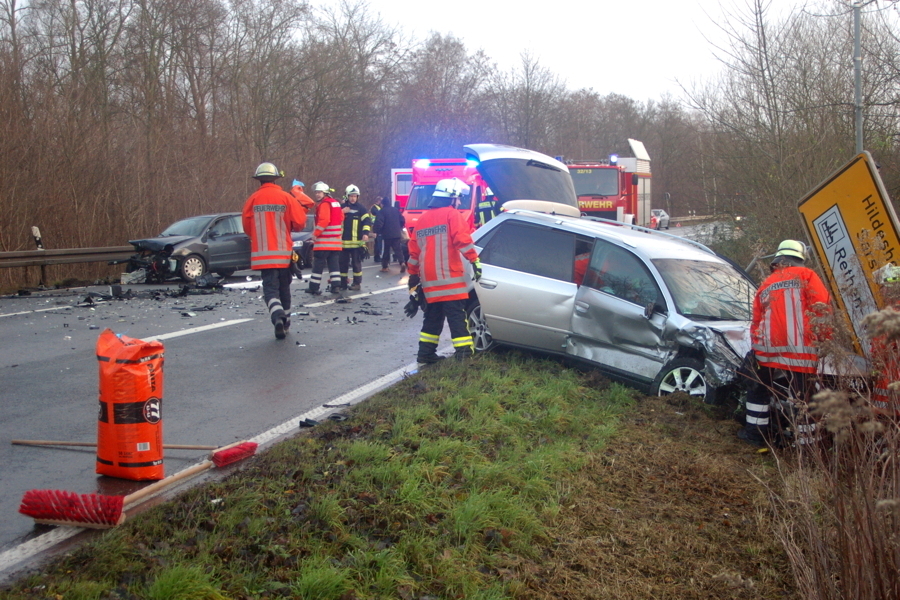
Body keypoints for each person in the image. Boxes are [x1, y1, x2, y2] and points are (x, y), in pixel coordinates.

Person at [740, 240, 832, 446]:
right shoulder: (808, 276)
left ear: (778, 260)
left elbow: (756, 321)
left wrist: (757, 346)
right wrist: (824, 340)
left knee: (759, 391)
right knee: (804, 397)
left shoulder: (767, 283)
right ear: (799, 259)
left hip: (767, 350)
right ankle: (807, 445)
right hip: (801, 351)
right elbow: (822, 309)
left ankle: (756, 436)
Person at [407, 178, 481, 363]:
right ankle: (464, 354)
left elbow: (414, 252)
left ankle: (425, 353)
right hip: (449, 278)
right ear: (451, 196)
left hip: (430, 280)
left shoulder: (422, 219)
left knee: (432, 317)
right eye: (458, 198)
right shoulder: (452, 215)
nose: (458, 202)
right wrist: (474, 260)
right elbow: (462, 240)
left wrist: (413, 274)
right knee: (457, 317)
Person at [241, 162, 306, 339]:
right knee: (284, 289)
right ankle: (285, 321)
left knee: (270, 290)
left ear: (259, 180)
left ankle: (277, 316)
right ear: (276, 179)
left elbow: (247, 226)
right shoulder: (286, 197)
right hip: (284, 253)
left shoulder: (253, 199)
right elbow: (300, 222)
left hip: (263, 255)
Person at [306, 181, 344, 295]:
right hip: (336, 243)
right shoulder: (336, 203)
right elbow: (341, 217)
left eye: (319, 192)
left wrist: (315, 234)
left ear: (325, 193)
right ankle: (336, 286)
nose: (317, 194)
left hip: (323, 243)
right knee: (334, 266)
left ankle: (314, 287)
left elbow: (324, 220)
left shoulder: (324, 205)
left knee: (318, 266)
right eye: (316, 192)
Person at [338, 184, 371, 291]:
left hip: (357, 243)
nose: (353, 198)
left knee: (356, 264)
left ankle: (357, 283)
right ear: (347, 196)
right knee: (343, 264)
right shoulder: (342, 208)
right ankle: (343, 283)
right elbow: (334, 219)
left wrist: (365, 233)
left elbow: (367, 221)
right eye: (351, 196)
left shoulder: (361, 209)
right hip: (343, 243)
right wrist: (341, 212)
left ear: (357, 197)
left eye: (355, 196)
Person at [373, 198, 407, 273]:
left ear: (382, 204)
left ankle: (385, 267)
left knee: (386, 250)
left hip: (386, 234)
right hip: (397, 233)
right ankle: (402, 262)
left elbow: (379, 222)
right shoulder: (395, 210)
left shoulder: (382, 211)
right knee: (398, 250)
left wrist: (376, 231)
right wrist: (399, 227)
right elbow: (402, 220)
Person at [369, 196, 385, 262]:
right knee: (378, 243)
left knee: (379, 243)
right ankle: (377, 257)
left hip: (378, 226)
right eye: (381, 202)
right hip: (376, 227)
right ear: (378, 201)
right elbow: (378, 215)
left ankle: (378, 256)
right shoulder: (374, 208)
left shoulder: (378, 208)